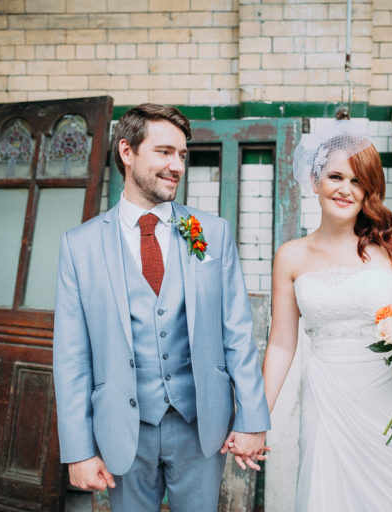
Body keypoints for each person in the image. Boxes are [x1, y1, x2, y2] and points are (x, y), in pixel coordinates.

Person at [52, 103, 270, 512]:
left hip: (200, 426)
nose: (177, 166)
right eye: (164, 152)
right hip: (121, 427)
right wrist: (78, 451)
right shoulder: (79, 246)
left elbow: (238, 333)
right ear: (127, 152)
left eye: (182, 155)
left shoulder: (212, 233)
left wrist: (252, 420)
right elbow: (70, 358)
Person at [262, 125, 392, 510]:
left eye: (358, 181)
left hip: (391, 398)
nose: (345, 189)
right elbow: (282, 344)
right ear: (315, 180)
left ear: (369, 190)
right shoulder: (291, 255)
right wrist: (256, 416)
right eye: (336, 177)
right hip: (328, 397)